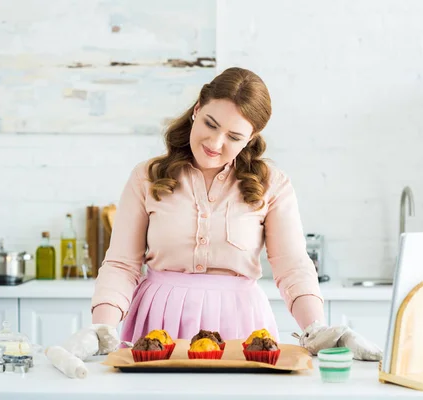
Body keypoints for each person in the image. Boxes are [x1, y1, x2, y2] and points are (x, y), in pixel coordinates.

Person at [61, 67, 382, 362]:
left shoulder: (273, 185)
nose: (215, 143)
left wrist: (316, 328)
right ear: (197, 109)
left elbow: (293, 267)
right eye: (210, 124)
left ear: (251, 138)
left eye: (234, 136)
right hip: (156, 325)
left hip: (241, 325)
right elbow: (121, 264)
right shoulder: (146, 175)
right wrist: (102, 327)